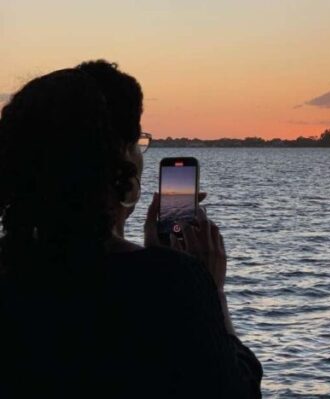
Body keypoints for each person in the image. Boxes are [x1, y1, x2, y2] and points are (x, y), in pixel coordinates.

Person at [0, 61, 262, 398]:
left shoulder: (13, 276)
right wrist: (210, 289)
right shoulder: (170, 285)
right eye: (137, 142)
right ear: (120, 162)